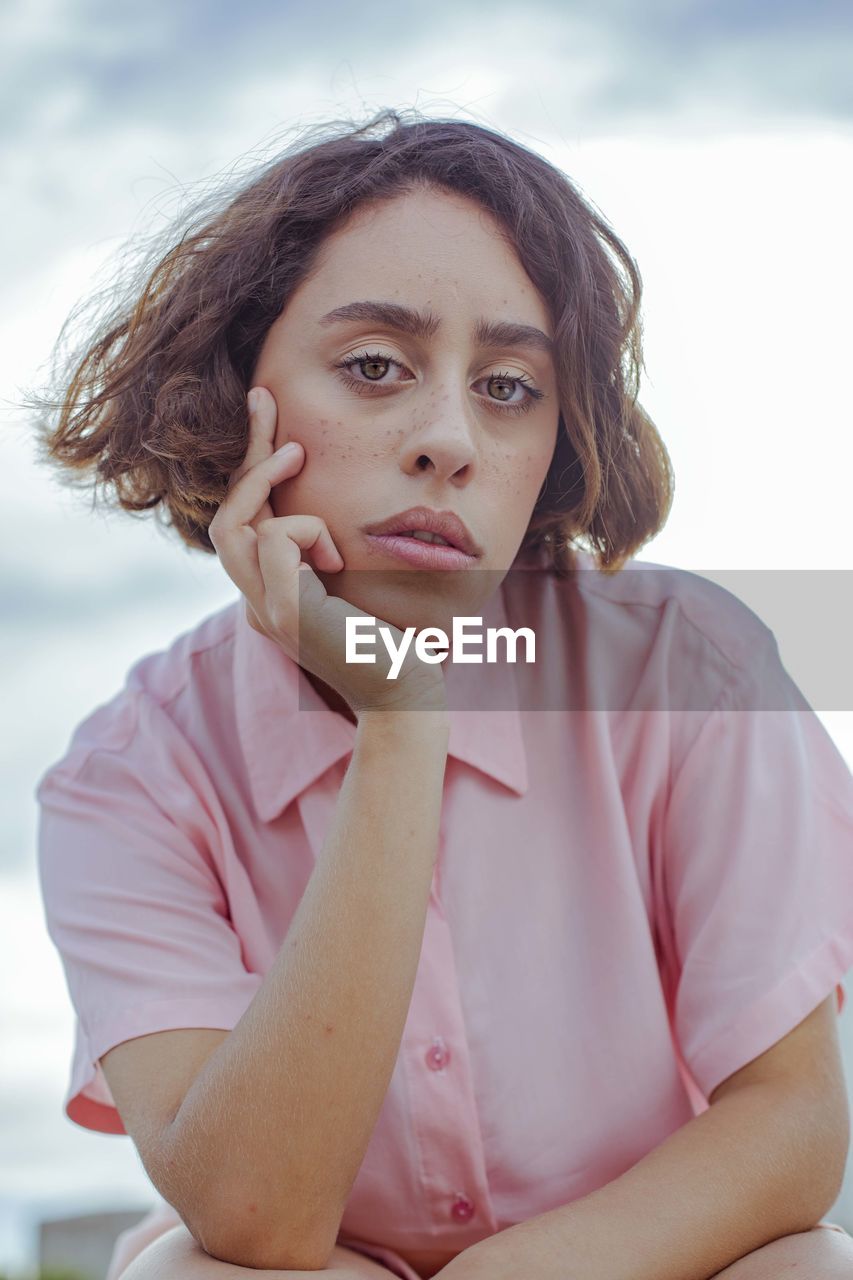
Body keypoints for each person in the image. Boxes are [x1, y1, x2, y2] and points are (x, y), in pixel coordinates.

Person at [30, 108, 853, 1280]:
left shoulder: (690, 666)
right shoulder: (128, 772)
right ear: (230, 394)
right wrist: (401, 720)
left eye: (511, 386)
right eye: (374, 367)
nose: (449, 438)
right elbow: (254, 1216)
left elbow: (790, 1126)